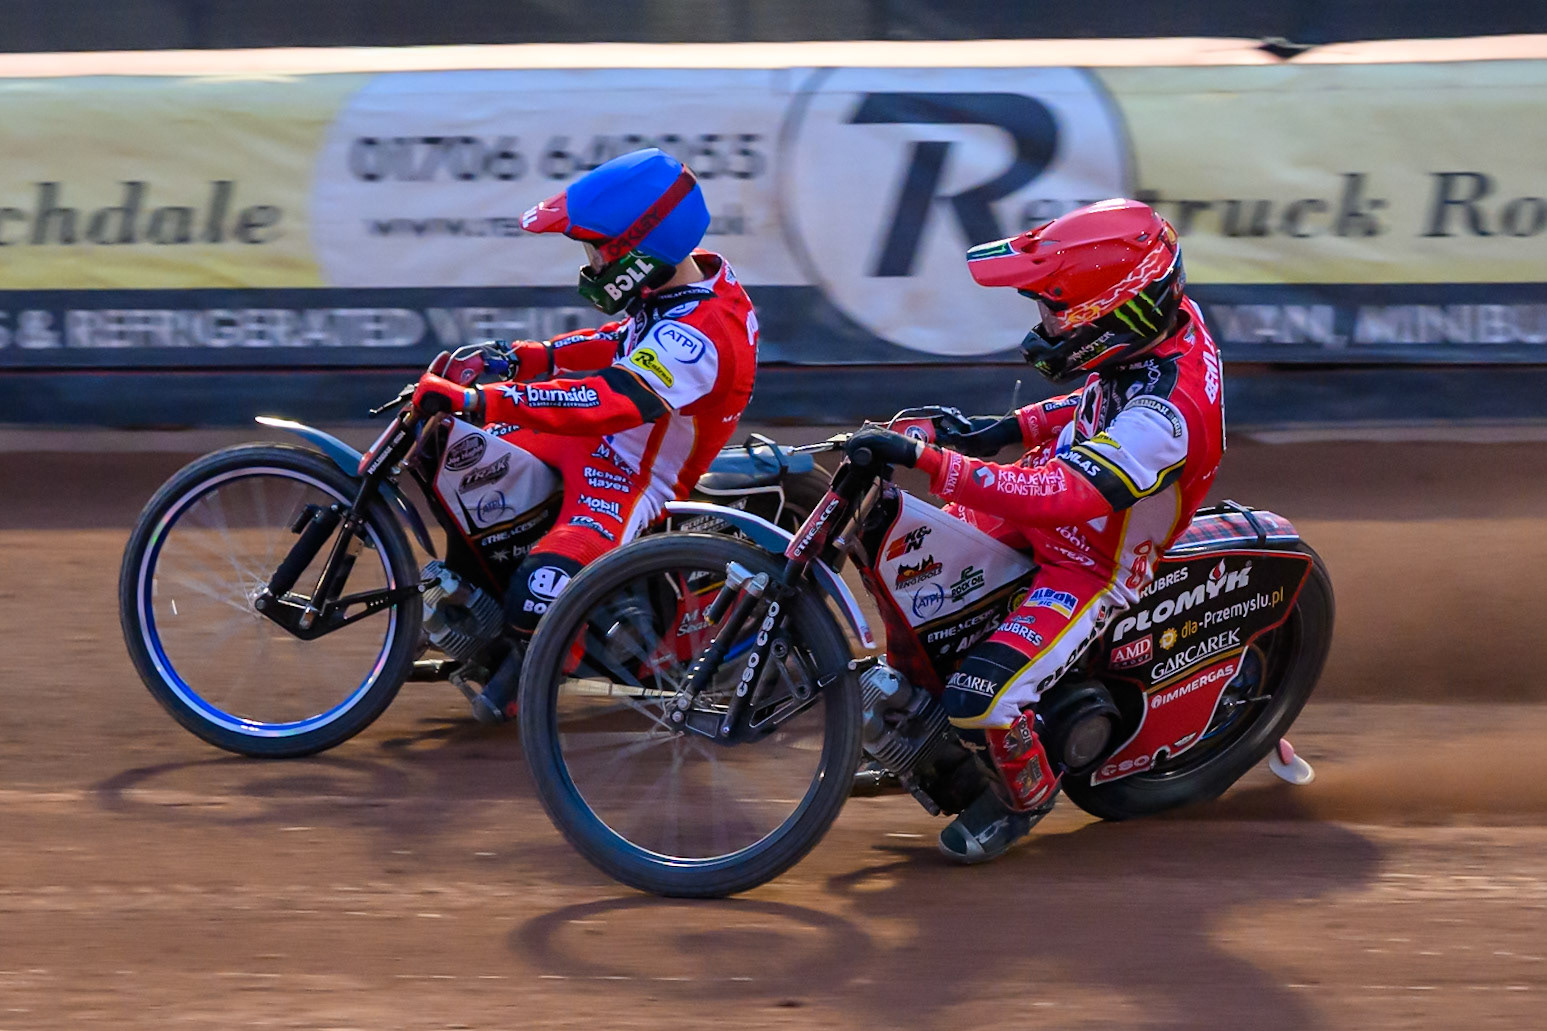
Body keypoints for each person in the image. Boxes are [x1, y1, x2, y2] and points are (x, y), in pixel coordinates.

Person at [844, 199, 1226, 862]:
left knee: (981, 697)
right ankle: (924, 736)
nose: (1041, 324)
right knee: (916, 584)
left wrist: (937, 462)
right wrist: (994, 431)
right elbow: (1091, 402)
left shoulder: (1170, 413)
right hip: (1041, 500)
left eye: (1053, 309)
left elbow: (1065, 497)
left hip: (1088, 564)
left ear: (1109, 314)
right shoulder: (1159, 331)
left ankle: (1021, 799)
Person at [413, 148, 760, 723]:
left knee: (537, 590)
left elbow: (608, 401)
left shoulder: (702, 335)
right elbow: (619, 339)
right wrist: (525, 359)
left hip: (629, 472)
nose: (591, 264)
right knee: (455, 453)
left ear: (641, 250)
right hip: (590, 442)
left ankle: (537, 667)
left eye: (597, 251)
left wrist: (485, 398)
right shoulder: (683, 280)